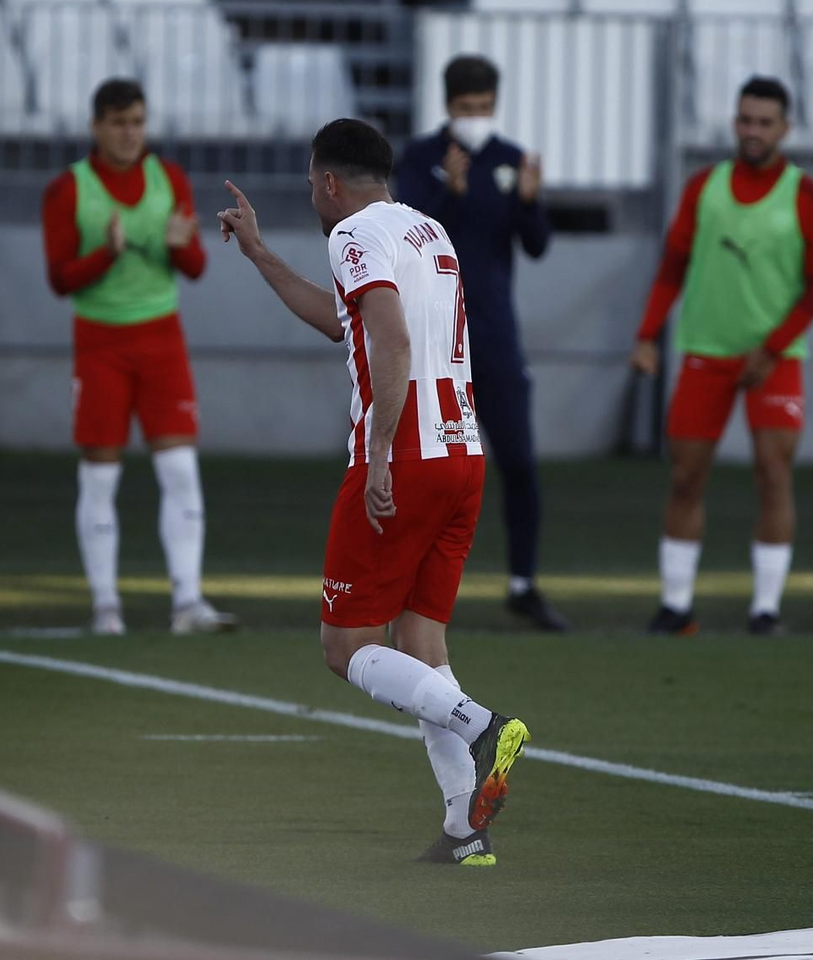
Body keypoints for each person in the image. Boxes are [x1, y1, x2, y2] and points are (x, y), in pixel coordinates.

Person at [218, 118, 529, 867]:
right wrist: (260, 253)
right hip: (463, 455)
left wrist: (381, 451)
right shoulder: (429, 231)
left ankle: (484, 724)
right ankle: (465, 828)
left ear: (329, 182)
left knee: (344, 645)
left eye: (309, 183)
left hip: (407, 455)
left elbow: (388, 340)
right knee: (420, 642)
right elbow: (345, 323)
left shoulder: (352, 233)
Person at [629, 77, 813, 637]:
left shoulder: (809, 197)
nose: (753, 131)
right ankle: (676, 606)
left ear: (785, 129)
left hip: (775, 359)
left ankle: (765, 609)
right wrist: (647, 334)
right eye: (746, 120)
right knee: (686, 477)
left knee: (773, 475)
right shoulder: (705, 187)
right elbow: (672, 266)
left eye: (765, 122)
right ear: (734, 123)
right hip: (707, 353)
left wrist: (771, 349)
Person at [41, 79, 237, 637]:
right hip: (99, 342)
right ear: (96, 127)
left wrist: (179, 245)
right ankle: (106, 605)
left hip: (162, 341)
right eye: (119, 123)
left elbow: (196, 265)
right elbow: (59, 279)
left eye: (137, 123)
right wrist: (106, 253)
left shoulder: (167, 179)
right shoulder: (68, 190)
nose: (130, 134)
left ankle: (188, 602)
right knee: (99, 477)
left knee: (179, 469)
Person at [395, 55, 568, 632]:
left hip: (493, 334)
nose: (476, 117)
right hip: (431, 335)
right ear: (448, 106)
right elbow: (410, 233)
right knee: (425, 467)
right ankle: (406, 582)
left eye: (484, 107)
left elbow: (538, 244)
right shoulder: (422, 159)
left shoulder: (511, 159)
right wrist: (453, 192)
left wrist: (527, 200)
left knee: (518, 459)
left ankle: (524, 584)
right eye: (467, 108)